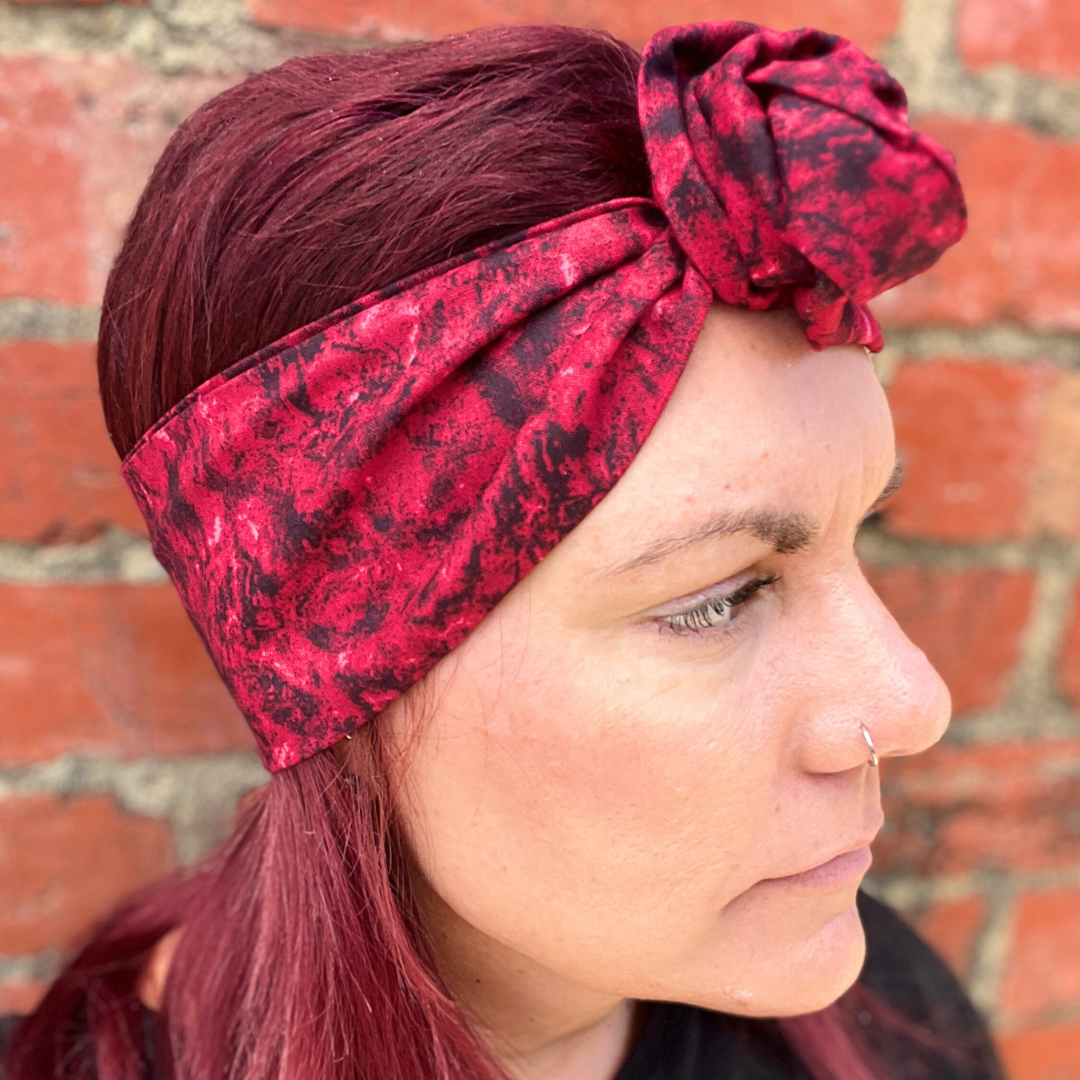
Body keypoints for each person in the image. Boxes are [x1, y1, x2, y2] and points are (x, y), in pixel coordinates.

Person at [2, 20, 1005, 1080]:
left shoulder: (901, 1022)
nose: (912, 703)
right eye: (718, 598)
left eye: (860, 541)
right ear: (333, 682)